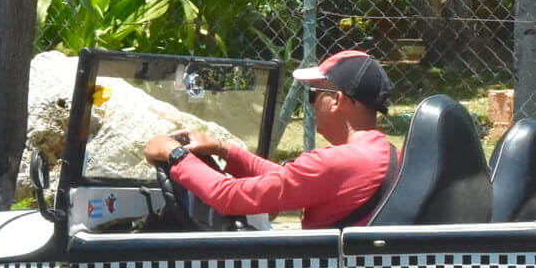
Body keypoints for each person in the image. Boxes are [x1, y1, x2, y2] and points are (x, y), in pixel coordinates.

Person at [142, 50, 397, 229]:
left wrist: (174, 155)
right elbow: (292, 178)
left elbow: (228, 197)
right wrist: (224, 150)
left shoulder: (337, 162)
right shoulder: (383, 151)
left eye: (313, 94)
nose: (310, 105)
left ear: (337, 100)